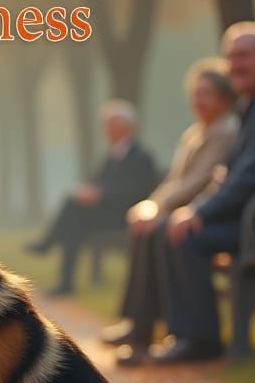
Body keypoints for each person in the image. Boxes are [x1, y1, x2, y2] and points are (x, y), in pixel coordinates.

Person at [124, 23, 255, 365]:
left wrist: (198, 213)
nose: (236, 65)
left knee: (185, 235)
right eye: (231, 57)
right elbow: (227, 176)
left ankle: (199, 339)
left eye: (244, 56)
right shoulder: (253, 105)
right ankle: (177, 332)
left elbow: (249, 177)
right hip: (253, 215)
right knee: (172, 228)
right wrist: (196, 209)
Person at [102, 60, 239, 358]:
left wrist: (159, 210)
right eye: (195, 93)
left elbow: (201, 180)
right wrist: (149, 206)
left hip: (207, 213)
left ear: (224, 97)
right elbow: (175, 180)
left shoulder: (226, 130)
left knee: (161, 229)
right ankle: (140, 325)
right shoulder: (195, 133)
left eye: (206, 94)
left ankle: (188, 335)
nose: (198, 101)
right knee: (144, 227)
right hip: (184, 209)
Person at [26, 100, 157, 295]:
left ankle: (51, 251)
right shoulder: (112, 155)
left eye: (112, 124)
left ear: (127, 127)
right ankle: (63, 277)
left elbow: (137, 192)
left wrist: (101, 195)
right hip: (105, 213)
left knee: (73, 212)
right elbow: (96, 181)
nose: (106, 129)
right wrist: (87, 191)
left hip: (125, 216)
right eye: (106, 124)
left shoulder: (142, 157)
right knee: (73, 214)